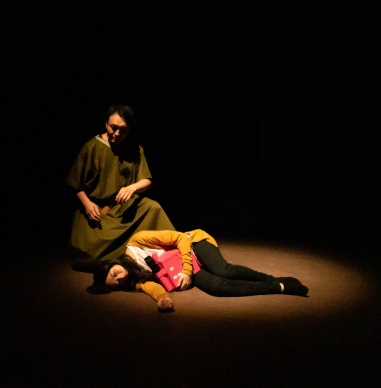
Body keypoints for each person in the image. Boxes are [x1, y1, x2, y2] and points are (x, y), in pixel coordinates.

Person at [66, 105, 175, 271]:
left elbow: (147, 181)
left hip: (122, 208)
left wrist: (132, 188)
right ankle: (131, 254)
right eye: (113, 128)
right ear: (106, 124)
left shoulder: (135, 150)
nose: (117, 133)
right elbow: (75, 183)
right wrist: (87, 204)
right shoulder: (91, 147)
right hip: (96, 210)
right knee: (88, 256)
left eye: (123, 130)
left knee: (153, 208)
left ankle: (176, 249)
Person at [87, 229, 309, 310]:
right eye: (116, 283)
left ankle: (271, 278)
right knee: (217, 287)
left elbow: (179, 238)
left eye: (114, 273)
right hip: (187, 267)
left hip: (194, 244)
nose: (120, 277)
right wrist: (162, 298)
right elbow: (151, 288)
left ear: (113, 263)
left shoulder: (137, 242)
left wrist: (186, 270)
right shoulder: (132, 279)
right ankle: (280, 286)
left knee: (224, 270)